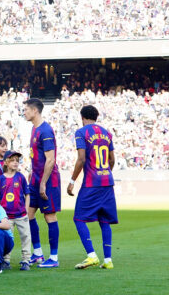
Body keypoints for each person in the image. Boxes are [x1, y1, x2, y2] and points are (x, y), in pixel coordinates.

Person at [68, 105, 117, 270]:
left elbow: (81, 159)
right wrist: (105, 172)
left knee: (79, 218)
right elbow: (112, 159)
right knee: (105, 220)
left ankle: (91, 255)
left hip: (91, 183)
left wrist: (72, 180)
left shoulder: (81, 132)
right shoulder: (107, 133)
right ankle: (108, 260)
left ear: (82, 117)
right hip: (107, 182)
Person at [24, 98, 61, 268]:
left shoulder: (45, 131)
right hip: (36, 179)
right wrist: (33, 172)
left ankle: (53, 257)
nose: (24, 112)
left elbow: (50, 160)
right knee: (28, 214)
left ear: (35, 111)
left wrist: (43, 183)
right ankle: (37, 252)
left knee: (49, 216)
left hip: (48, 181)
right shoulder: (34, 128)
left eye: (26, 110)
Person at [0, 152, 31, 271]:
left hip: (21, 215)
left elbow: (27, 194)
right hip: (6, 217)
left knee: (25, 237)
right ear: (6, 162)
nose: (16, 162)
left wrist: (26, 209)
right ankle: (6, 260)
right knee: (7, 238)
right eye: (13, 160)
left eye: (17, 160)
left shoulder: (20, 177)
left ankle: (26, 260)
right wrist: (0, 213)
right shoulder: (0, 179)